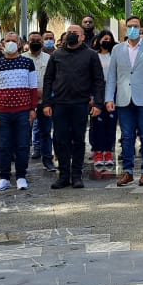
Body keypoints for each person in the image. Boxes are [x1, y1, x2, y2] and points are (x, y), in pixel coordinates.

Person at [43, 24, 104, 190]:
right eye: (69, 32)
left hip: (80, 104)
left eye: (75, 33)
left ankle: (77, 175)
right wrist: (46, 102)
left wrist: (98, 103)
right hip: (60, 104)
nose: (71, 35)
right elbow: (48, 80)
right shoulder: (56, 54)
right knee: (60, 140)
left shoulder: (91, 55)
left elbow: (98, 80)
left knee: (78, 140)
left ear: (82, 36)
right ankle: (63, 176)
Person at [106, 15, 143, 187]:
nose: (132, 29)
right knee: (127, 137)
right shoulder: (117, 50)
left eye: (135, 26)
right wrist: (109, 97)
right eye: (129, 26)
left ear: (141, 29)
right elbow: (112, 77)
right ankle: (128, 171)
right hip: (123, 100)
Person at [0, 32, 39, 192]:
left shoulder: (28, 62)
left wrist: (33, 108)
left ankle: (21, 177)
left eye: (13, 40)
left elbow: (33, 88)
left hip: (23, 111)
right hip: (3, 111)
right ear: (3, 44)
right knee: (4, 145)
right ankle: (4, 178)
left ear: (19, 44)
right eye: (7, 40)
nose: (10, 43)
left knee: (23, 145)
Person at [88, 29, 118, 173]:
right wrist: (91, 97)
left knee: (111, 124)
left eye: (109, 39)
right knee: (97, 124)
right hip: (97, 92)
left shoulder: (115, 55)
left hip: (113, 92)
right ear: (99, 40)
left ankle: (109, 151)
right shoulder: (94, 56)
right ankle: (98, 152)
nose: (106, 41)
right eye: (104, 38)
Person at [24, 31, 55, 172]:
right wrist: (32, 93)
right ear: (27, 43)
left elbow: (54, 78)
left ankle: (48, 160)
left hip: (45, 101)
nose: (35, 42)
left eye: (38, 39)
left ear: (42, 42)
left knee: (45, 132)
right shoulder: (21, 58)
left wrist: (44, 93)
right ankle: (22, 163)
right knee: (24, 133)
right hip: (26, 102)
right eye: (32, 40)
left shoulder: (50, 58)